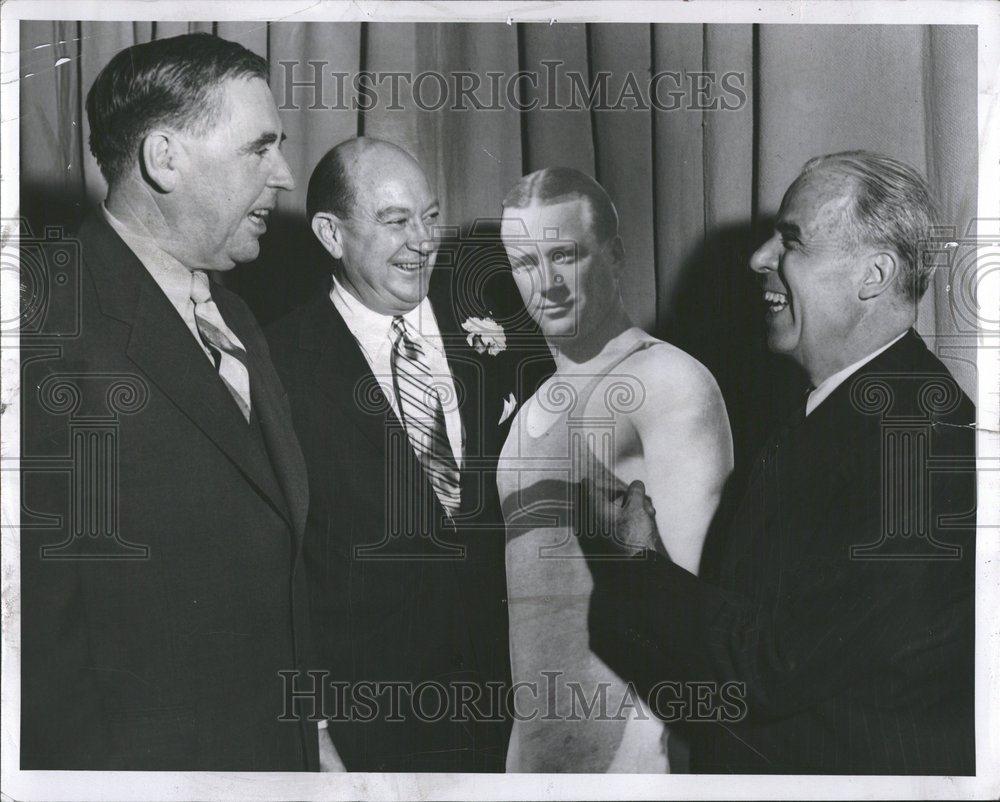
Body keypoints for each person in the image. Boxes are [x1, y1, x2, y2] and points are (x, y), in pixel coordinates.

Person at [578, 151, 976, 775]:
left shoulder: (918, 448)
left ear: (874, 274)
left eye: (791, 241)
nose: (759, 258)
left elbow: (769, 666)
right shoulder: (843, 411)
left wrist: (639, 562)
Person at [19, 33, 317, 770]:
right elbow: (40, 653)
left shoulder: (239, 319)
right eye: (260, 148)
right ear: (164, 158)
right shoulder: (45, 335)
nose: (283, 175)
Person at [266, 137, 514, 772]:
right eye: (395, 221)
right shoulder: (278, 365)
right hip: (374, 727)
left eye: (429, 217)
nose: (423, 241)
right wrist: (315, 732)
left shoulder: (496, 328)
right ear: (331, 234)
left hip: (512, 708)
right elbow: (278, 571)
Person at [496, 167, 734, 772]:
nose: (545, 284)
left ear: (615, 255)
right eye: (525, 264)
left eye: (565, 256)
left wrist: (643, 764)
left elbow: (688, 611)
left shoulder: (666, 380)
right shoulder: (529, 412)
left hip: (636, 754)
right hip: (538, 757)